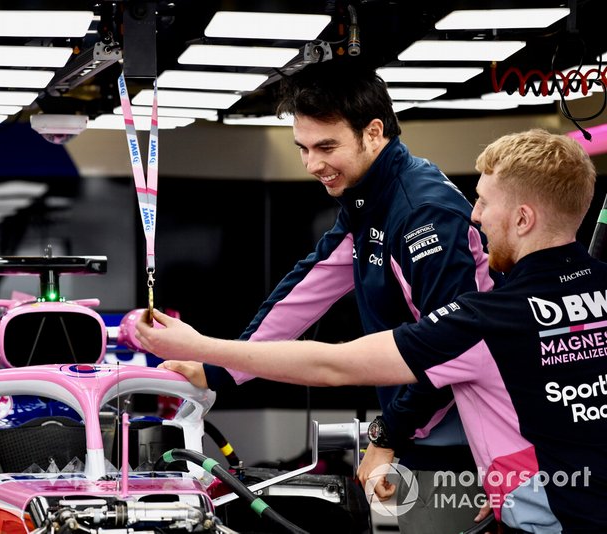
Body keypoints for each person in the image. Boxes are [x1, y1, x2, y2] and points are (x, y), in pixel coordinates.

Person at [137, 128, 606, 532]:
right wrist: (514, 492)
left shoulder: (487, 320)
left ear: (523, 218)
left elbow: (333, 365)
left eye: (483, 201)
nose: (476, 216)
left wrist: (204, 348)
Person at [163, 60, 496, 532]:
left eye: (326, 147)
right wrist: (221, 368)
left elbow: (450, 347)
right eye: (302, 148)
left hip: (469, 441)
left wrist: (388, 433)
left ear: (374, 133)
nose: (313, 164)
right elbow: (308, 286)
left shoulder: (423, 212)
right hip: (427, 432)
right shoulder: (369, 200)